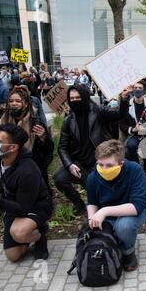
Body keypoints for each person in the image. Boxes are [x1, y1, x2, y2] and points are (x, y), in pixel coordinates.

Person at [0, 123, 53, 261]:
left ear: (13, 147)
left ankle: (40, 235)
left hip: (36, 207)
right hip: (12, 205)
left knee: (18, 233)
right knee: (13, 256)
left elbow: (23, 209)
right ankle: (27, 234)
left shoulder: (28, 171)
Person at [86, 139, 146, 271]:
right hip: (109, 212)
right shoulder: (93, 177)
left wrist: (104, 211)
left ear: (121, 163)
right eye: (100, 164)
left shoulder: (135, 170)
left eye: (109, 165)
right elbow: (92, 202)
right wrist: (91, 219)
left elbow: (137, 206)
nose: (103, 169)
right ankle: (115, 246)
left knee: (123, 226)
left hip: (133, 210)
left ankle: (128, 252)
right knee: (96, 229)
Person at [0, 88, 53, 189]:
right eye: (11, 101)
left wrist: (43, 136)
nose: (14, 103)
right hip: (6, 166)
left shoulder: (35, 122)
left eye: (18, 101)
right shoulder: (2, 117)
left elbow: (49, 149)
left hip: (29, 169)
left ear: (25, 104)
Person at [55, 85, 122, 215]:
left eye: (78, 97)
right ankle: (79, 204)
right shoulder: (68, 120)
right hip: (80, 164)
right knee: (59, 178)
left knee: (104, 201)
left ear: (85, 97)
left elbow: (119, 114)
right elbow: (62, 147)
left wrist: (124, 99)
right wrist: (69, 165)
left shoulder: (98, 111)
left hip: (100, 162)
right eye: (72, 98)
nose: (75, 100)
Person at [119, 81, 146, 174]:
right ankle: (136, 167)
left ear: (144, 90)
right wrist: (132, 129)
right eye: (136, 88)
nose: (137, 90)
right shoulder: (127, 106)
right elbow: (122, 124)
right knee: (130, 145)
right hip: (134, 135)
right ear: (132, 90)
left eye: (140, 88)